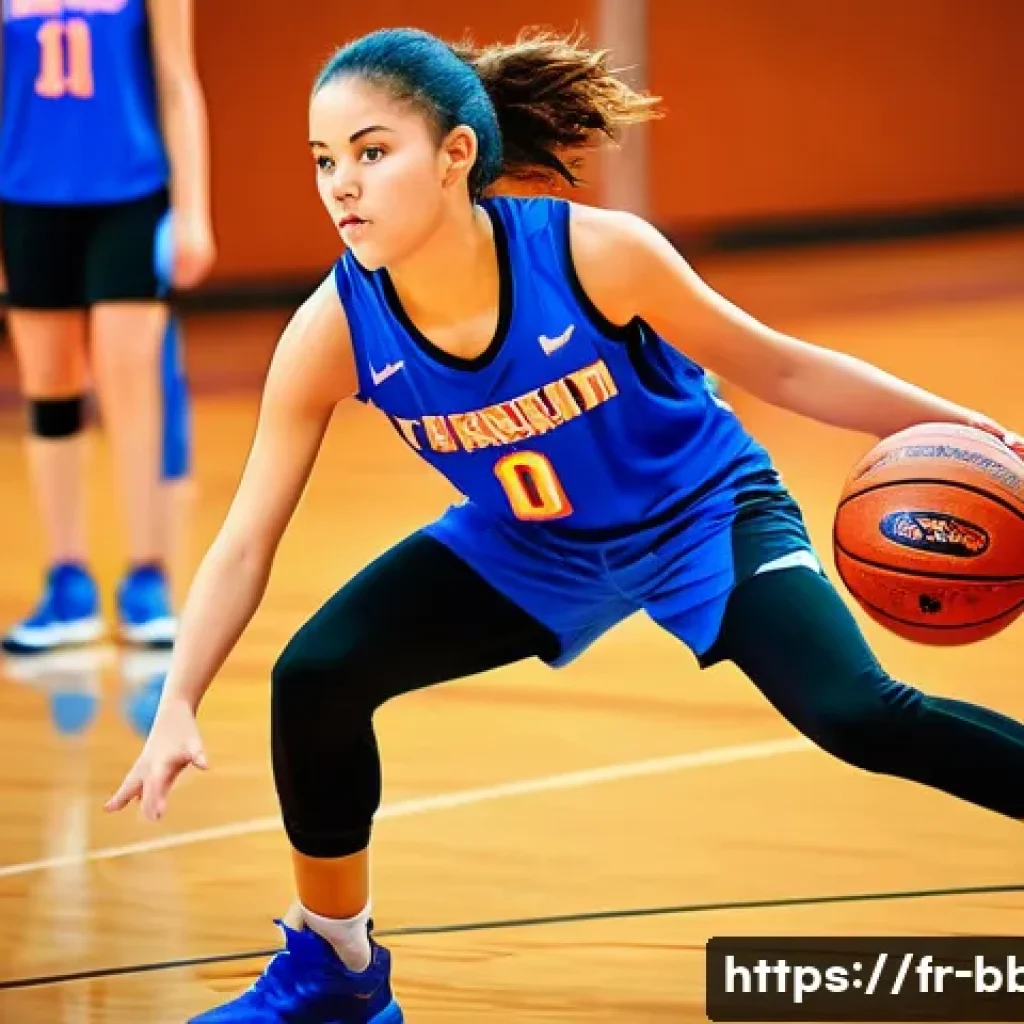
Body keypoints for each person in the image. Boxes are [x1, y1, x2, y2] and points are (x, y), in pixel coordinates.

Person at [106, 27, 1024, 1024]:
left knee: (856, 714)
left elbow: (781, 366)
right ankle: (336, 966)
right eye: (324, 160)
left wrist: (971, 431)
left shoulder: (592, 255)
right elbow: (247, 536)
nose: (342, 185)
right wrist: (179, 697)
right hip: (528, 543)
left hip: (699, 517)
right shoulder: (333, 328)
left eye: (372, 151)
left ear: (456, 155)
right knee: (317, 675)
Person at [0, 0, 215, 655]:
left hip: (131, 195)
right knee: (49, 387)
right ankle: (68, 583)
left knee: (131, 380)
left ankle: (146, 576)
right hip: (26, 197)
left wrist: (193, 212)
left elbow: (178, 80)